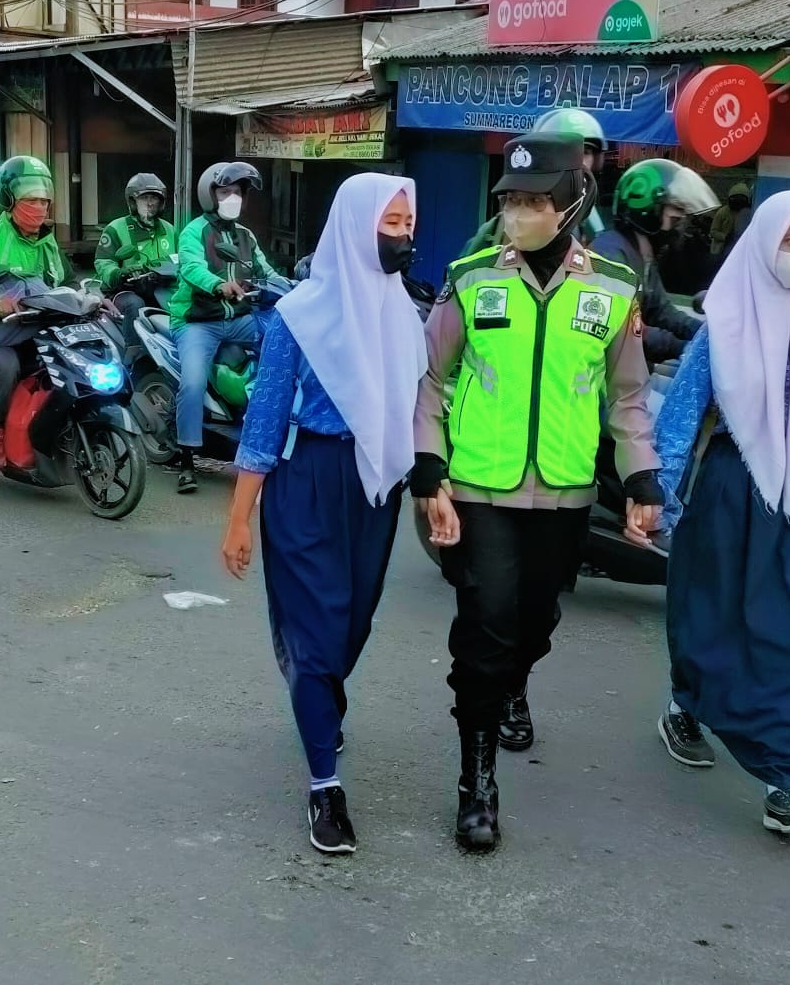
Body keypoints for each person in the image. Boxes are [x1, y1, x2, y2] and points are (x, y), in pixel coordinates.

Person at [412, 127, 663, 852]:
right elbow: (434, 380)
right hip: (481, 489)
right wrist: (430, 467)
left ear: (572, 200)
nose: (518, 211)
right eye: (510, 198)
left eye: (532, 199)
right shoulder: (473, 275)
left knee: (534, 624)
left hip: (565, 493)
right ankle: (477, 782)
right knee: (486, 630)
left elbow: (627, 396)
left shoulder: (614, 292)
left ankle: (514, 681)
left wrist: (642, 473)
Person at [220, 173, 427, 855]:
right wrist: (239, 518)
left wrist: (434, 485)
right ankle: (324, 786)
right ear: (354, 226)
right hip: (307, 477)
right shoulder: (299, 316)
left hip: (375, 489)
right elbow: (263, 420)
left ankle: (320, 705)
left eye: (408, 225)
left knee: (351, 625)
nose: (402, 236)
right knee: (316, 632)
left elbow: (421, 410)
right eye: (389, 223)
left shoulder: (404, 314)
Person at [652, 191, 790, 836]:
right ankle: (688, 707)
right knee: (712, 621)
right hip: (729, 493)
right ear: (764, 247)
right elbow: (681, 418)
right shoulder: (725, 330)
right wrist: (659, 495)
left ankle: (782, 778)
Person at [168, 161, 276, 493]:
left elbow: (267, 271)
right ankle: (187, 457)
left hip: (240, 319)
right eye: (225, 191)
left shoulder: (245, 235)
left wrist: (294, 288)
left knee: (283, 347)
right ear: (210, 194)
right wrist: (218, 285)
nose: (232, 198)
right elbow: (191, 268)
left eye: (237, 193)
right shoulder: (194, 231)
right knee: (193, 383)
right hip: (198, 321)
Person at [0, 155, 65, 467]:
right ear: (9, 199)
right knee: (6, 367)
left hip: (41, 324)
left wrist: (94, 296)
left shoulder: (48, 240)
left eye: (43, 200)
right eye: (30, 199)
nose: (39, 207)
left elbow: (66, 281)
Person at [591, 159, 719, 364]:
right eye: (675, 217)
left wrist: (703, 333)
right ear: (648, 212)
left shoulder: (643, 256)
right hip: (602, 374)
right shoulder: (611, 257)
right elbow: (622, 328)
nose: (681, 226)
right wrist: (680, 347)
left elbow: (662, 311)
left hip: (627, 366)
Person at [457, 108, 607, 260]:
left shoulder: (591, 222)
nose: (576, 163)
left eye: (585, 152)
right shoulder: (504, 226)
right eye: (562, 154)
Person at [94, 172, 177, 345]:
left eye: (154, 198)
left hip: (160, 287)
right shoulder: (116, 228)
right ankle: (133, 353)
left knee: (182, 304)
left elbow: (180, 259)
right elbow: (103, 262)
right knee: (134, 304)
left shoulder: (170, 230)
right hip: (124, 289)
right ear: (132, 201)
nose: (149, 203)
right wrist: (119, 273)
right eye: (144, 198)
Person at [709, 182, 752, 261]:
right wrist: (724, 237)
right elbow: (713, 231)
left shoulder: (747, 213)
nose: (737, 202)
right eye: (735, 199)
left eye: (741, 200)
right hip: (720, 251)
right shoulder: (722, 212)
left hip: (738, 250)